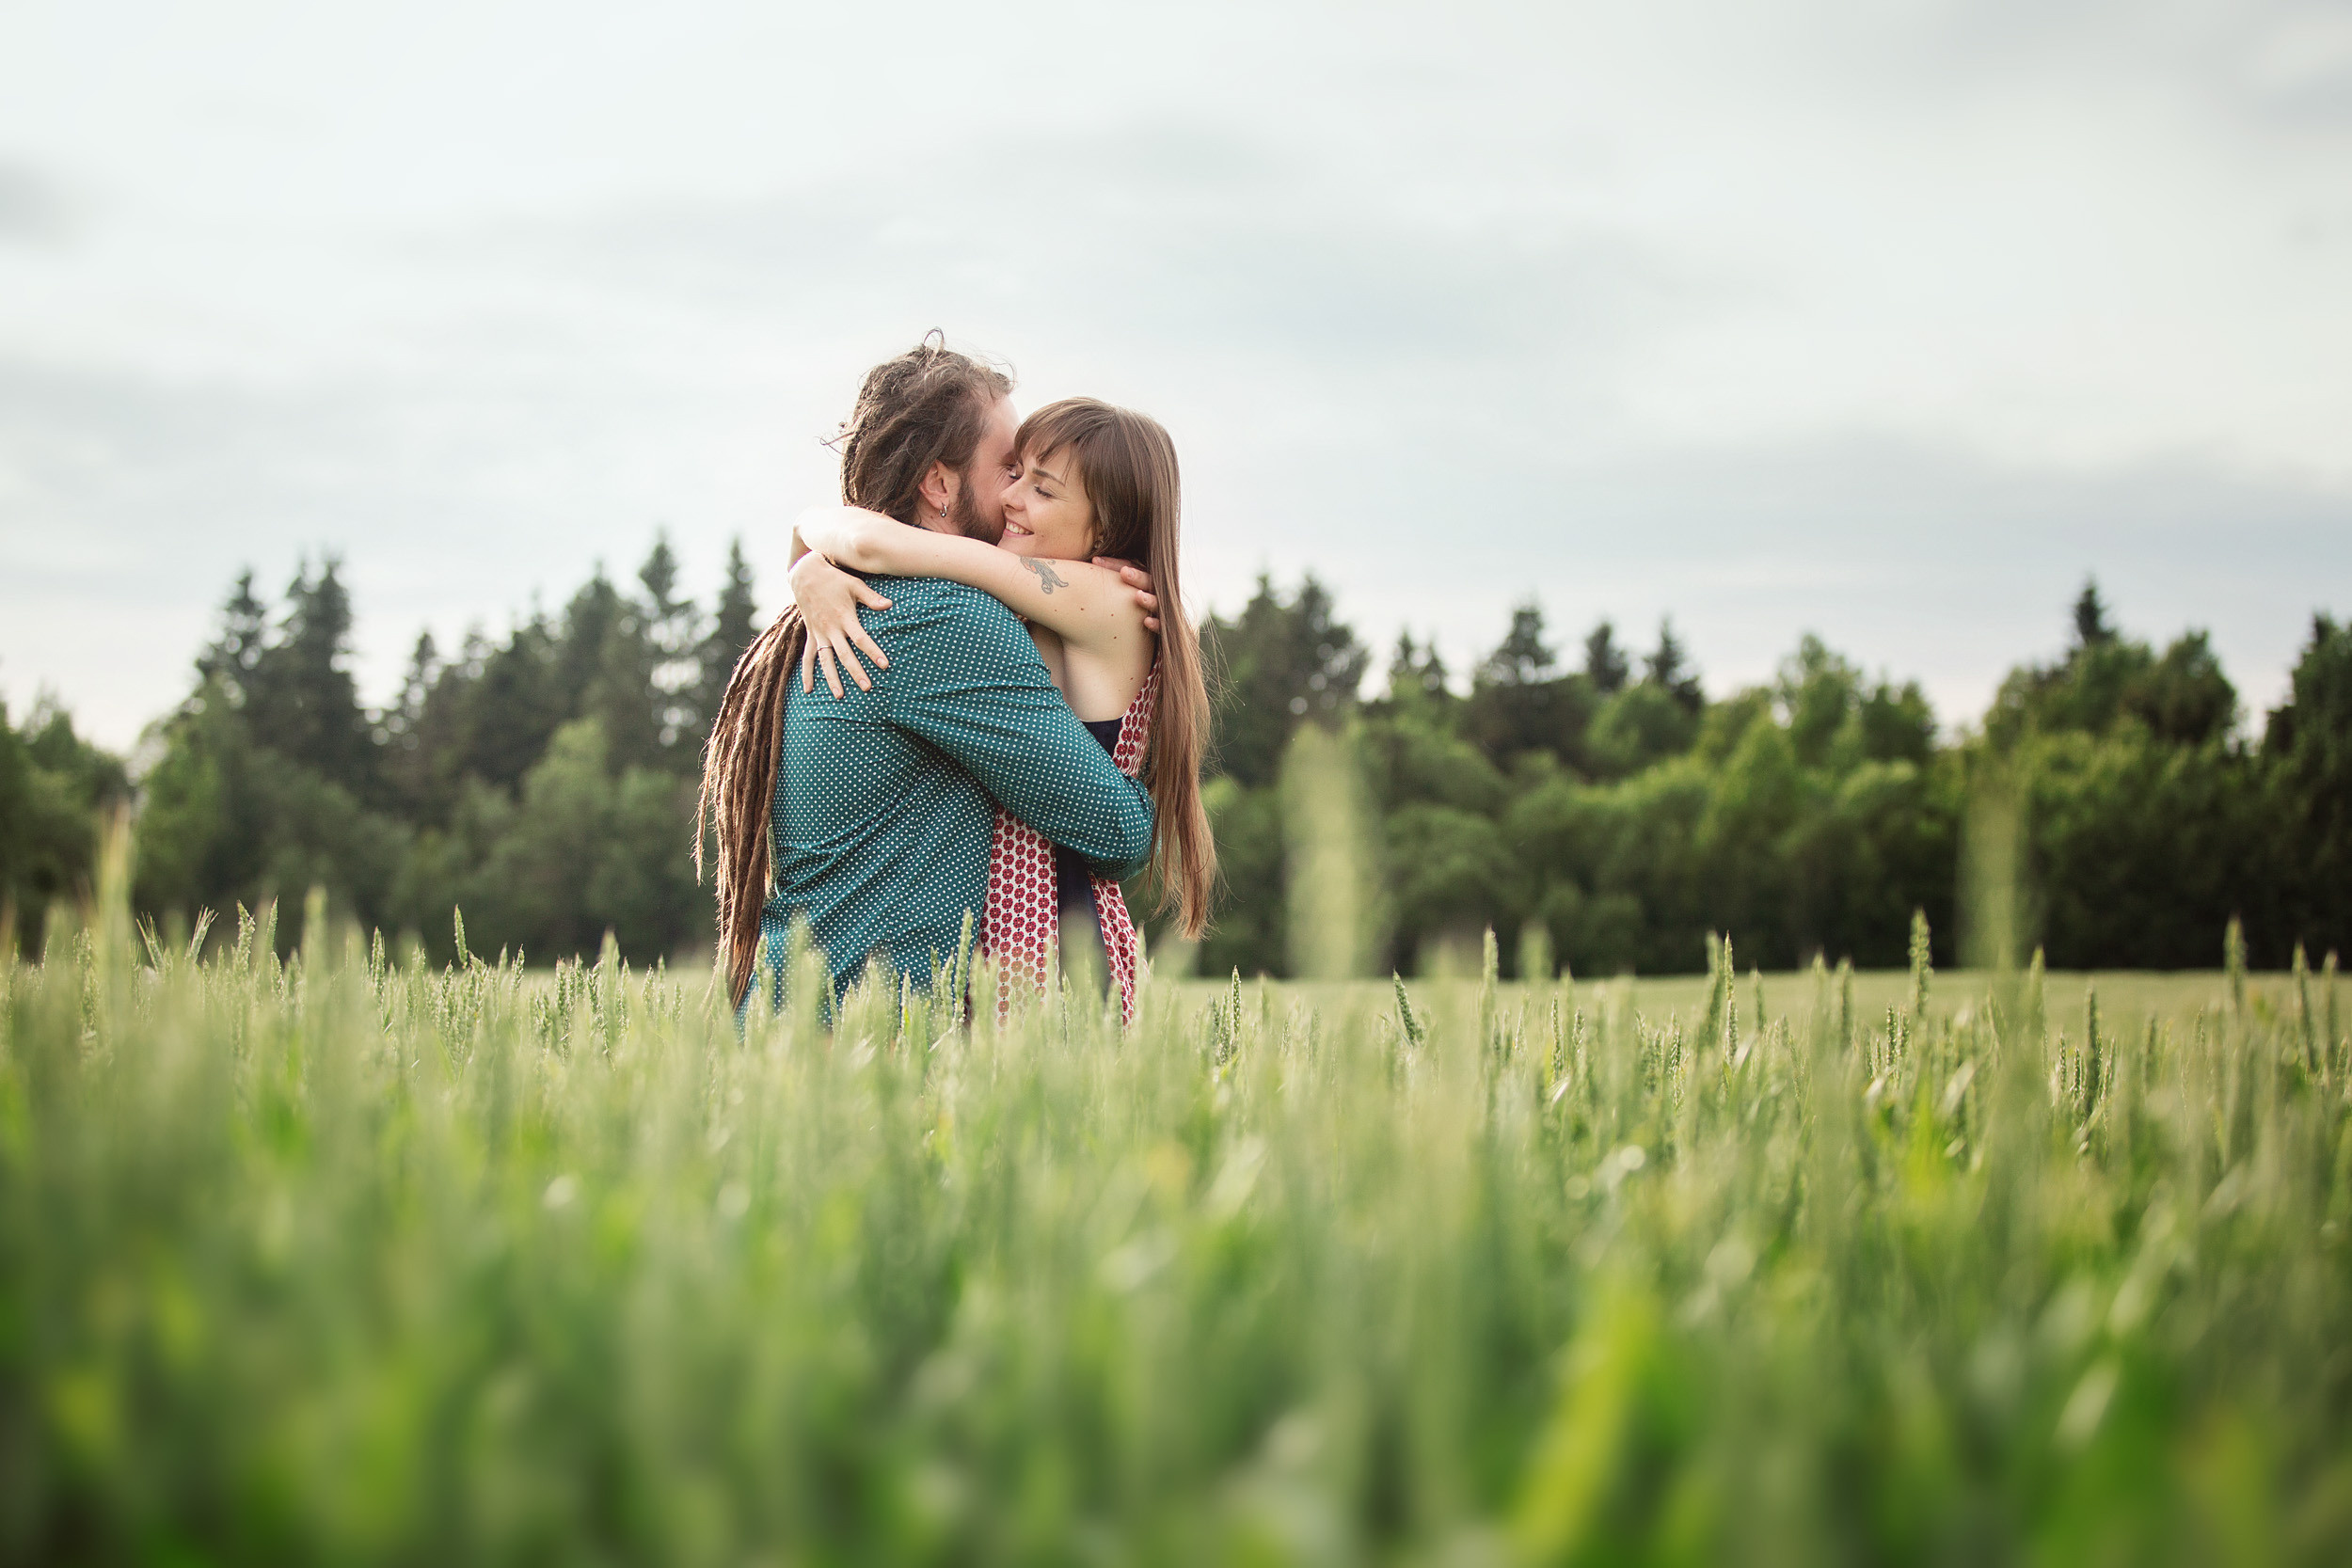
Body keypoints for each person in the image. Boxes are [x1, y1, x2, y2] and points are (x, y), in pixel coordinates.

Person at [697, 339, 1161, 1013]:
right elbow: (1115, 832)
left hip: (796, 1033)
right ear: (940, 484)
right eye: (1008, 468)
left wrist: (805, 559)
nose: (1014, 495)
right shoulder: (947, 620)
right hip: (857, 1058)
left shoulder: (838, 602)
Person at [787, 397, 1215, 1023]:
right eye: (1015, 475)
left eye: (1043, 489)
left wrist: (806, 543)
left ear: (1105, 527)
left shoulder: (1102, 596)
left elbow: (874, 543)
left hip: (1060, 931)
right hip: (1014, 922)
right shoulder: (1053, 598)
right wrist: (807, 568)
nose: (1013, 497)